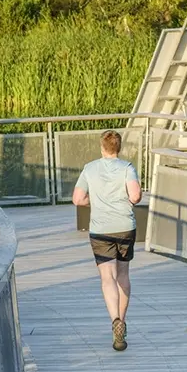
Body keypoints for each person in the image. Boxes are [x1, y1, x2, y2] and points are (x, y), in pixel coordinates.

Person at [72, 130, 142, 351]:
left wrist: (97, 201)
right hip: (125, 227)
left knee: (107, 277)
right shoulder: (127, 168)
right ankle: (122, 320)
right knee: (123, 274)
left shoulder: (90, 168)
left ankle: (114, 321)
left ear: (102, 147)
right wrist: (123, 200)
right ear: (118, 148)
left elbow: (77, 199)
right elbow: (136, 196)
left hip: (101, 229)